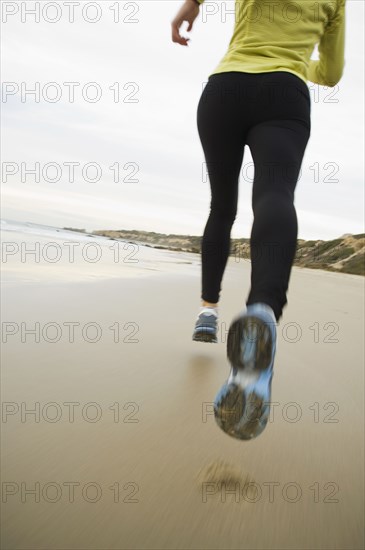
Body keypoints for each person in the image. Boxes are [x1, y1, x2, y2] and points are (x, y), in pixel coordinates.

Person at [171, 0, 346, 439]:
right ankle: (263, 310)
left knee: (221, 206)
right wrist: (296, 58)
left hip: (226, 88)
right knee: (273, 193)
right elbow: (332, 73)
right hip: (285, 92)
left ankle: (207, 312)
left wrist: (190, 6)